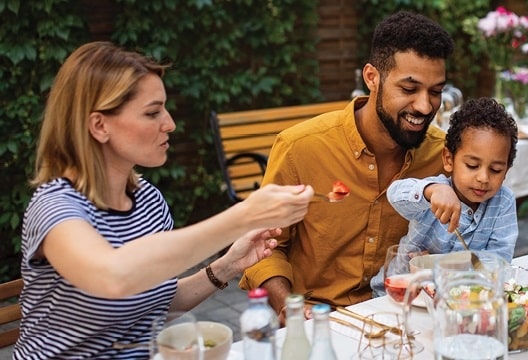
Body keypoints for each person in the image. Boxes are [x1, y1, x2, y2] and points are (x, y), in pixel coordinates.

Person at [14, 41, 314, 359]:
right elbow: (114, 277)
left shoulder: (148, 200)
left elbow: (155, 300)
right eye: (152, 112)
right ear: (99, 125)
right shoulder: (55, 207)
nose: (169, 123)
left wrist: (227, 266)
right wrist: (243, 216)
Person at [239, 11, 454, 317]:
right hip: (317, 322)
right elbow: (263, 249)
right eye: (409, 89)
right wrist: (290, 309)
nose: (424, 106)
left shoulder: (441, 155)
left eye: (435, 92)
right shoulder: (300, 148)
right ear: (372, 78)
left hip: (404, 317)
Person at [370, 98, 519, 296]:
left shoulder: (504, 202)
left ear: (506, 170)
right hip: (403, 292)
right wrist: (430, 191)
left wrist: (442, 265)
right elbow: (395, 194)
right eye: (472, 166)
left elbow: (499, 261)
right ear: (449, 159)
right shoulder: (435, 191)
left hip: (462, 298)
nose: (483, 178)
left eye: (496, 169)